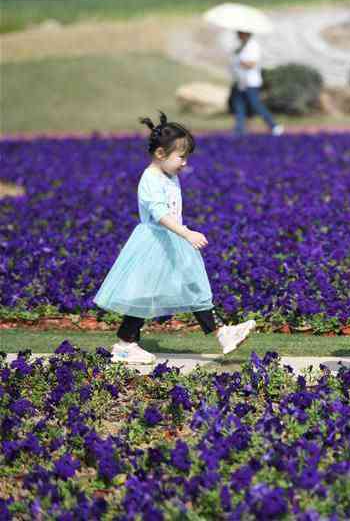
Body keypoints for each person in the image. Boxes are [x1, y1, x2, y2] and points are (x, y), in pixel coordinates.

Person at [94, 113, 256, 364]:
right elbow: (160, 214)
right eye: (181, 157)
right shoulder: (150, 179)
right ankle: (125, 343)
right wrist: (186, 233)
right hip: (155, 242)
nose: (184, 163)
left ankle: (222, 333)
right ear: (160, 154)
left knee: (193, 284)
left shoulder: (169, 175)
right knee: (144, 294)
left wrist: (181, 234)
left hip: (172, 240)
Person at [230, 30, 283, 136]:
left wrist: (240, 62)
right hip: (240, 81)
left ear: (246, 33)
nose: (237, 34)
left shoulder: (253, 46)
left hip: (250, 82)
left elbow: (252, 63)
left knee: (255, 104)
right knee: (238, 104)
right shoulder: (241, 46)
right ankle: (239, 130)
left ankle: (274, 125)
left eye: (240, 32)